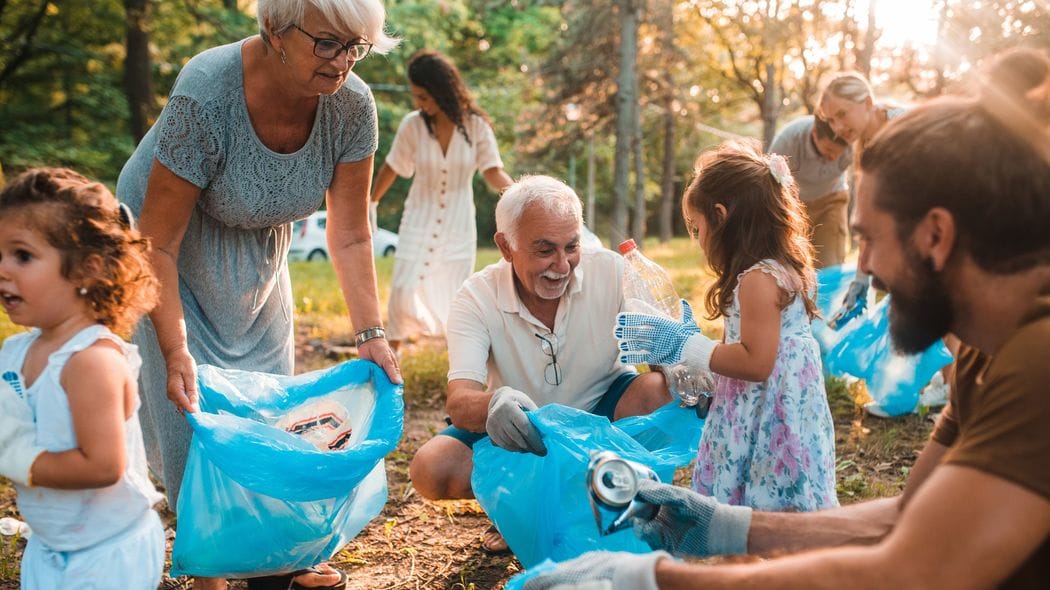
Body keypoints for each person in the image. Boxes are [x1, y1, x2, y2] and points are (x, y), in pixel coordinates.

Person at [524, 94, 1050, 590]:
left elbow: (909, 568)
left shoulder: (1037, 366)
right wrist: (724, 526)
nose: (864, 267)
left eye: (868, 238)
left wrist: (658, 579)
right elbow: (906, 514)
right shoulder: (983, 356)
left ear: (935, 236)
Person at [115, 1, 401, 588]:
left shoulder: (353, 106)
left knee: (273, 408)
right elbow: (157, 243)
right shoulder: (207, 91)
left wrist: (371, 334)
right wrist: (175, 350)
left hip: (260, 242)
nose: (343, 61)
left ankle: (278, 554)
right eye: (327, 42)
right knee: (193, 410)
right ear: (274, 28)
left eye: (356, 46)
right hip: (169, 246)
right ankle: (213, 568)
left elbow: (350, 233)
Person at [408, 175, 671, 552]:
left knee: (659, 392)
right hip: (525, 435)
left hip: (604, 414)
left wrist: (684, 372)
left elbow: (663, 358)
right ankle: (521, 508)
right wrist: (495, 403)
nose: (562, 266)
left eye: (572, 247)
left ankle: (612, 499)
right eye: (545, 249)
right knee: (431, 468)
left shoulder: (612, 272)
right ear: (506, 246)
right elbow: (460, 400)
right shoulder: (476, 297)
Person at [615, 141, 837, 512]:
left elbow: (756, 363)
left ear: (721, 216)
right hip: (780, 404)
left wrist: (687, 346)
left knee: (762, 491)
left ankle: (751, 542)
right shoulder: (779, 270)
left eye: (697, 227)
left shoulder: (759, 280)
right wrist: (699, 365)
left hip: (767, 413)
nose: (698, 239)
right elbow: (739, 350)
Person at [0, 168, 165, 589]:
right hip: (50, 543)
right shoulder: (16, 352)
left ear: (86, 270)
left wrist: (20, 460)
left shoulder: (91, 361)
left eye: (22, 256)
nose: (3, 269)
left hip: (108, 554)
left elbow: (103, 466)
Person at [370, 49, 513, 350]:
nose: (418, 103)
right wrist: (371, 202)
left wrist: (524, 197)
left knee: (456, 296)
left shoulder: (475, 127)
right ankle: (391, 362)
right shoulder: (413, 125)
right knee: (402, 289)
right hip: (418, 219)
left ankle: (462, 363)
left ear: (441, 90)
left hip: (458, 226)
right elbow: (392, 166)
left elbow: (492, 171)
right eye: (415, 96)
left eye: (423, 96)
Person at [817, 72, 906, 329]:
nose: (837, 128)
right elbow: (869, 216)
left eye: (842, 114)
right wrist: (860, 279)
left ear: (867, 102)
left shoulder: (904, 128)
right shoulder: (864, 146)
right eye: (831, 120)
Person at [768, 115, 852, 268]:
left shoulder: (853, 139)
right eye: (829, 150)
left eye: (839, 153)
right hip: (795, 205)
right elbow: (770, 184)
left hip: (832, 199)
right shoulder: (789, 139)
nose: (834, 158)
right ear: (814, 134)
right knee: (794, 260)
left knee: (830, 260)